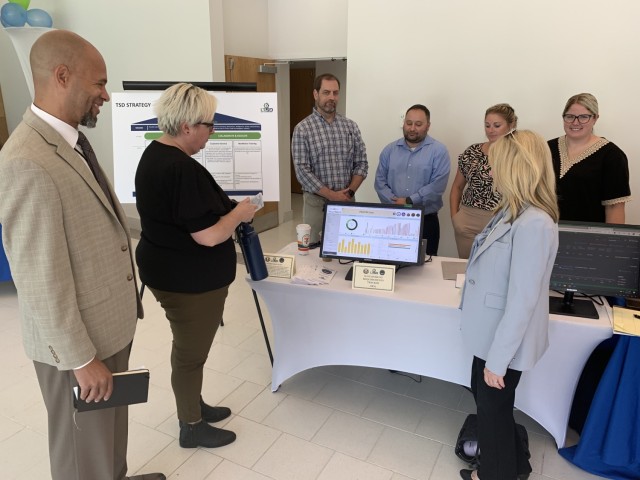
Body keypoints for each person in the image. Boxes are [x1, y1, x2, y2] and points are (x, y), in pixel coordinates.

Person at [0, 30, 164, 480]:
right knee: (82, 455)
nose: (106, 96)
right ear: (62, 76)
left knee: (108, 436)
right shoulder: (26, 161)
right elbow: (38, 277)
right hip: (79, 347)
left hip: (105, 330)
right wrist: (79, 359)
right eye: (99, 84)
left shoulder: (69, 140)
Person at [134, 83, 258, 449]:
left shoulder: (155, 154)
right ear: (187, 126)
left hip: (167, 268)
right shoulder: (180, 168)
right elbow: (208, 236)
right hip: (187, 281)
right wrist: (239, 213)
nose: (213, 131)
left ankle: (194, 405)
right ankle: (191, 425)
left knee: (189, 349)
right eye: (209, 124)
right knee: (190, 355)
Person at [459, 130, 559, 480]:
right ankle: (516, 466)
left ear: (516, 167)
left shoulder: (535, 224)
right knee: (490, 407)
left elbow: (523, 299)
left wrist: (498, 362)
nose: (490, 171)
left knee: (492, 411)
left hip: (502, 344)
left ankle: (494, 474)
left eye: (495, 164)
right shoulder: (512, 211)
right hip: (489, 335)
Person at [292, 73, 368, 243]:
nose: (331, 97)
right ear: (315, 94)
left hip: (347, 201)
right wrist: (332, 195)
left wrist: (349, 192)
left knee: (348, 247)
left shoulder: (350, 126)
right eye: (326, 92)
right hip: (316, 204)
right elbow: (302, 171)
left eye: (335, 93)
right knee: (314, 252)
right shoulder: (303, 129)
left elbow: (362, 163)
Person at [375, 104, 450, 255]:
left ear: (428, 126)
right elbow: (379, 181)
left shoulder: (439, 151)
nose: (412, 128)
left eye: (418, 124)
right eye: (409, 123)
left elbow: (437, 186)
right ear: (404, 124)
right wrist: (395, 202)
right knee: (391, 261)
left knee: (425, 268)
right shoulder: (389, 150)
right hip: (392, 219)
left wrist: (409, 201)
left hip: (425, 221)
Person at [548, 93, 630, 223]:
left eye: (583, 117)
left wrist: (610, 242)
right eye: (569, 117)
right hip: (547, 233)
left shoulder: (612, 156)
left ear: (595, 118)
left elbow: (614, 208)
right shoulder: (546, 148)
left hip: (589, 236)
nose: (575, 122)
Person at [450, 104, 518, 258]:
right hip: (467, 221)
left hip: (501, 220)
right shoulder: (472, 152)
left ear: (510, 125)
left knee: (495, 271)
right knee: (466, 270)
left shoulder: (518, 155)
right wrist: (456, 218)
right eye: (487, 125)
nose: (490, 130)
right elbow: (457, 187)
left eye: (496, 125)